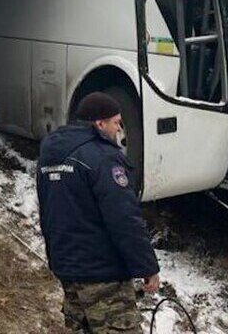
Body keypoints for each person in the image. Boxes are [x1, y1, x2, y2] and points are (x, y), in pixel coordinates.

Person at [37, 92, 160, 333]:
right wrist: (147, 267)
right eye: (116, 122)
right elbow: (124, 219)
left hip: (68, 268)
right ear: (100, 123)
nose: (119, 130)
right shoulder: (103, 158)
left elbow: (48, 211)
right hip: (102, 273)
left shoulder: (49, 155)